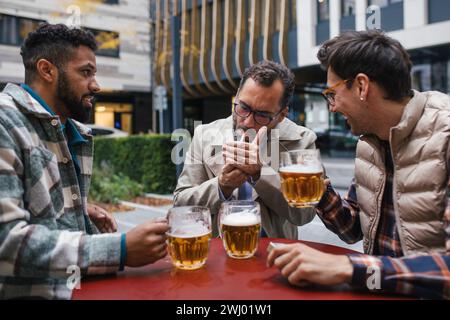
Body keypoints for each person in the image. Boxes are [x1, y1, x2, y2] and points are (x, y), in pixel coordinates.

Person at [267, 30, 450, 299]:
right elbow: (351, 228)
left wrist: (350, 268)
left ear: (362, 86)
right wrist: (313, 186)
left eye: (331, 93)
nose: (331, 107)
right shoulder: (370, 140)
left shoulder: (444, 135)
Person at [0, 23, 169, 299]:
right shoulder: (5, 121)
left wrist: (77, 212)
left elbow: (39, 220)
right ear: (47, 70)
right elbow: (7, 242)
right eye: (86, 72)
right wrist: (121, 249)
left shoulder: (68, 130)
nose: (96, 85)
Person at [174, 60, 317, 239]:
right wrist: (221, 186)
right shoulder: (204, 135)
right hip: (217, 253)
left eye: (262, 115)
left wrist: (261, 175)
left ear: (282, 114)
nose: (248, 121)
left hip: (274, 255)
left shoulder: (303, 140)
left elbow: (304, 215)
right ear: (236, 96)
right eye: (244, 107)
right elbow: (181, 204)